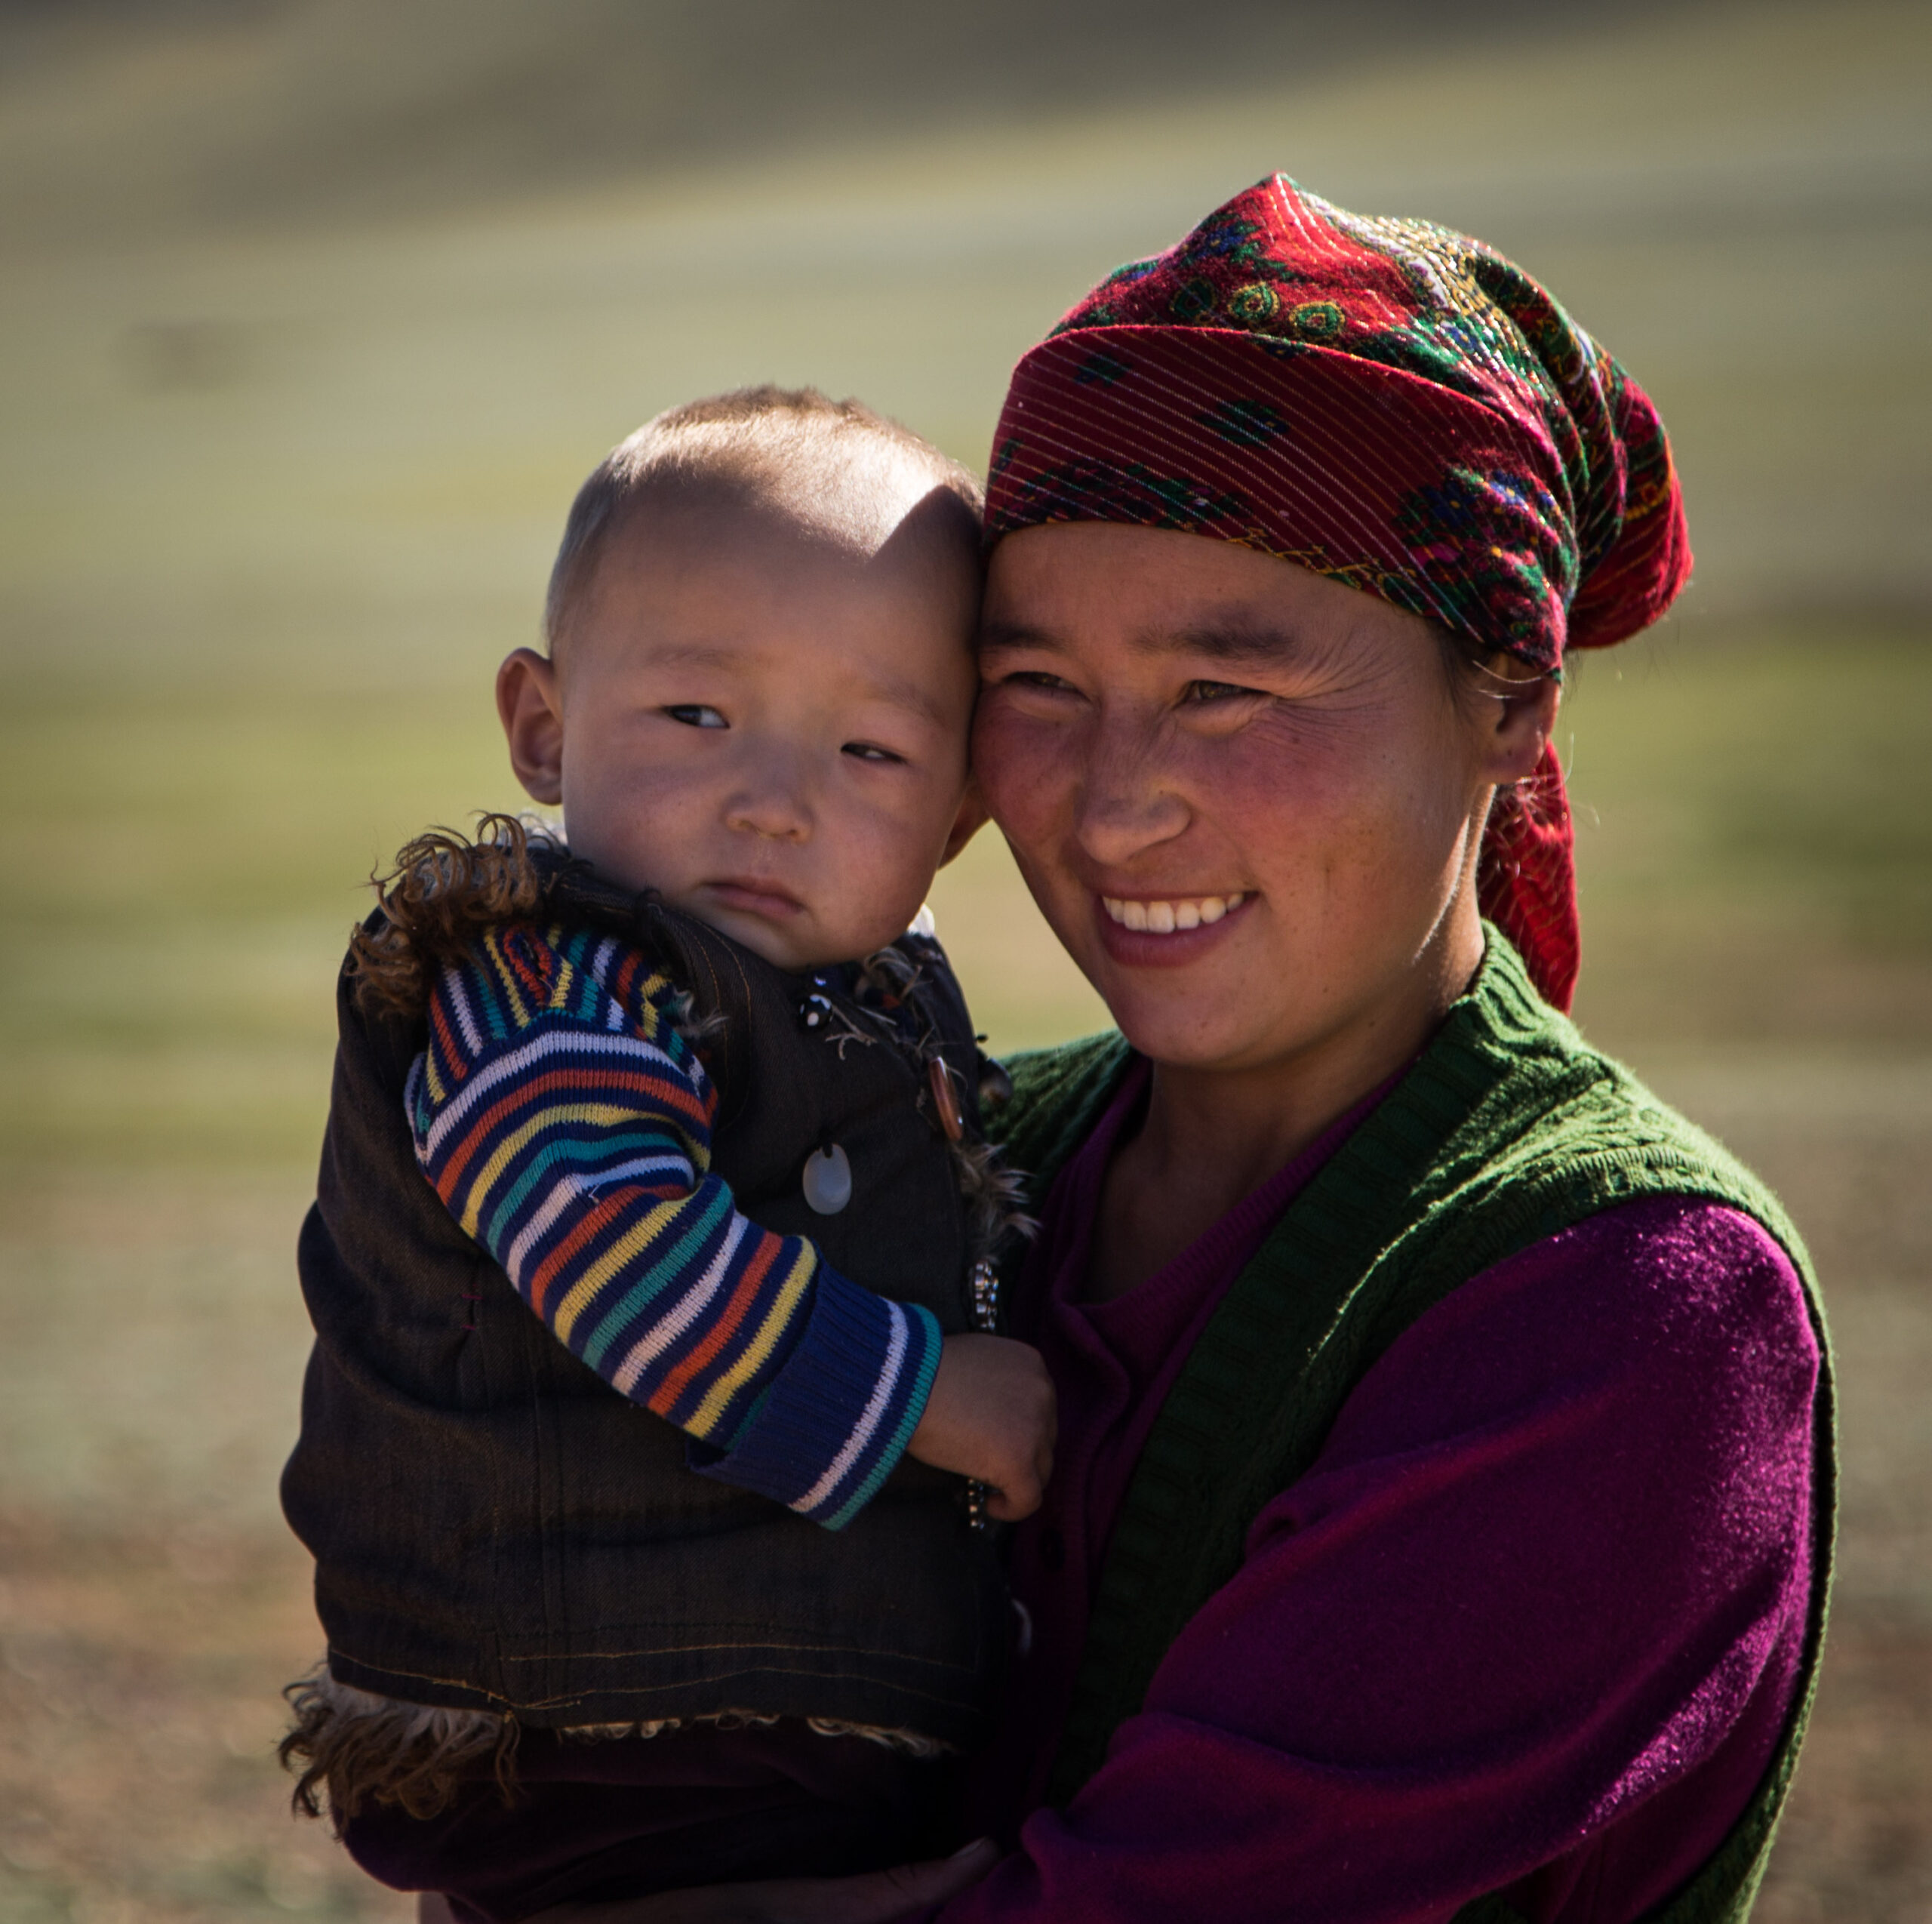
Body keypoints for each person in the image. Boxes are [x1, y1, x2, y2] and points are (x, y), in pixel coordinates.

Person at [576, 177, 1831, 1924]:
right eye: (1036, 686)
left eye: (1226, 691)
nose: (1110, 804)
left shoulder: (1626, 1304)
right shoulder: (974, 1146)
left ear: (1508, 707)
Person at [276, 386, 1057, 1921]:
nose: (773, 803)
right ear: (543, 727)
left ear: (960, 817)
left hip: (742, 1713)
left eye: (872, 752)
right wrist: (928, 1401)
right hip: (590, 1729)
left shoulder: (865, 1003)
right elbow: (613, 1249)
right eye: (697, 717)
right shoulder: (548, 978)